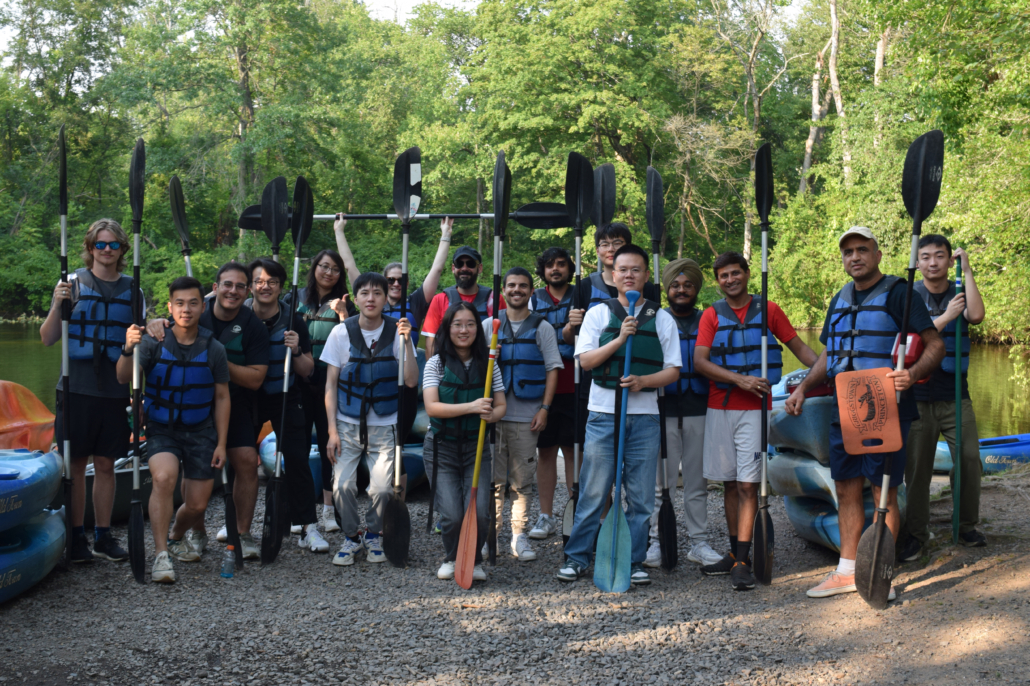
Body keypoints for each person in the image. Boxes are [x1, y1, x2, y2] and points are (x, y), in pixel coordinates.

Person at [786, 227, 944, 601]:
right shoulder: (839, 298)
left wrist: (912, 374)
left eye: (862, 250)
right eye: (848, 252)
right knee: (845, 486)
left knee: (883, 489)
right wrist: (803, 388)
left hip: (885, 404)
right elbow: (831, 354)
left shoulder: (901, 293)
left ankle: (878, 571)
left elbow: (935, 345)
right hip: (845, 403)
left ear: (877, 255)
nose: (854, 257)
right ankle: (846, 570)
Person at [557, 245, 681, 587]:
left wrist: (643, 381)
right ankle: (577, 557)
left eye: (636, 270)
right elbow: (585, 361)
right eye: (623, 269)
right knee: (594, 492)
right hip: (602, 414)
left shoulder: (661, 318)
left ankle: (634, 559)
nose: (629, 275)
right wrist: (620, 338)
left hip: (645, 418)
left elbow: (673, 370)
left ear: (646, 275)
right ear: (613, 276)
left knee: (640, 498)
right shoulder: (599, 314)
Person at [694, 251, 818, 591]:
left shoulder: (769, 310)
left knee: (748, 485)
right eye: (724, 276)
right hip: (720, 407)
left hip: (754, 411)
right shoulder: (711, 315)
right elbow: (700, 362)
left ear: (747, 274)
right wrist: (741, 379)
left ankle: (743, 561)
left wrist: (822, 374)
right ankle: (736, 554)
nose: (730, 280)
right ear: (717, 281)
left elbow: (801, 350)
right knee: (728, 483)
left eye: (736, 273)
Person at [146, 262, 270, 559]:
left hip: (232, 400)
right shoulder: (195, 311)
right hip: (190, 402)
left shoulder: (253, 326)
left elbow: (255, 379)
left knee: (247, 459)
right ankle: (197, 531)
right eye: (227, 284)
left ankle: (242, 533)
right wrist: (154, 323)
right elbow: (169, 330)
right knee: (190, 465)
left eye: (240, 286)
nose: (233, 291)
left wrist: (212, 360)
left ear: (247, 291)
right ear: (215, 289)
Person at [40, 219, 144, 563]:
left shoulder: (134, 290)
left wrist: (137, 393)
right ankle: (75, 537)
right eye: (101, 244)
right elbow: (47, 338)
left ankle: (103, 536)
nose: (107, 250)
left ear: (123, 249)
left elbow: (138, 345)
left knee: (106, 465)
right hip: (76, 388)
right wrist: (56, 304)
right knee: (75, 465)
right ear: (90, 248)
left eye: (114, 244)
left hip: (114, 389)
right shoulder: (71, 284)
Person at [117, 277, 230, 583]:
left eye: (193, 303)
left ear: (203, 307)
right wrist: (128, 348)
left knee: (197, 504)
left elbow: (222, 397)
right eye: (179, 303)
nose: (186, 309)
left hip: (201, 429)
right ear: (170, 306)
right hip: (161, 427)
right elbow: (123, 377)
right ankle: (161, 554)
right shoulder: (153, 342)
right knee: (164, 478)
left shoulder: (214, 349)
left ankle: (177, 535)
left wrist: (221, 443)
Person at [323, 272, 419, 566]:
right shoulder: (341, 333)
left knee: (381, 488)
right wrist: (332, 431)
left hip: (385, 423)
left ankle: (374, 533)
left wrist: (407, 342)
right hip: (347, 422)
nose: (371, 299)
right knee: (342, 486)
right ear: (356, 299)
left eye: (377, 293)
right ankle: (352, 536)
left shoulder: (398, 332)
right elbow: (330, 385)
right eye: (364, 293)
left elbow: (411, 381)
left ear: (385, 298)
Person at [901, 235, 987, 560]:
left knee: (969, 460)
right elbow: (910, 338)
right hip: (919, 396)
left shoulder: (960, 291)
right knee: (917, 469)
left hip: (955, 396)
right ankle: (916, 534)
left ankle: (965, 526)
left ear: (950, 260)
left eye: (940, 256)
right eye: (926, 257)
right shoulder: (909, 296)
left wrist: (968, 271)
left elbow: (976, 316)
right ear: (918, 262)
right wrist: (948, 316)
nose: (933, 262)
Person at [643, 259, 724, 569]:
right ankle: (656, 541)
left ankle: (698, 542)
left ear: (696, 288)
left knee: (696, 482)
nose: (681, 290)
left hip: (699, 410)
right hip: (662, 410)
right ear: (667, 289)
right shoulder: (655, 319)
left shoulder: (708, 319)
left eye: (688, 285)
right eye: (675, 285)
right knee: (659, 483)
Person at [245, 258, 326, 553]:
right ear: (250, 286)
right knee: (242, 459)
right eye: (259, 281)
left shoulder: (294, 321)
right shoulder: (239, 316)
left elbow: (308, 370)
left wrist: (296, 349)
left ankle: (307, 527)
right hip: (249, 398)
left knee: (296, 458)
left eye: (272, 282)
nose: (265, 287)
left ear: (281, 287)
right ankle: (238, 524)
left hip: (286, 394)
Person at [422, 302, 506, 582]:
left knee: (481, 512)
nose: (464, 330)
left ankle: (473, 559)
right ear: (447, 328)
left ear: (478, 330)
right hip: (441, 448)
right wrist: (472, 407)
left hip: (476, 448)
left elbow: (501, 406)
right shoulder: (436, 363)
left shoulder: (490, 364)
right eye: (457, 324)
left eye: (470, 324)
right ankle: (451, 557)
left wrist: (491, 414)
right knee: (452, 514)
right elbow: (432, 407)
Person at [484, 267, 562, 560]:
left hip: (527, 416)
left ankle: (519, 536)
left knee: (522, 481)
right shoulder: (489, 325)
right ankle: (489, 536)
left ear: (531, 291)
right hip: (493, 416)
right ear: (503, 290)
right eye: (511, 285)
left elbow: (553, 368)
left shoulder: (542, 327)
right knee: (493, 482)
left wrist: (544, 408)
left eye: (523, 286)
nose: (517, 290)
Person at [568, 224, 663, 452]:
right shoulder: (584, 286)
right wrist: (571, 325)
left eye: (617, 243)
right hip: (597, 381)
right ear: (597, 250)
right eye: (604, 244)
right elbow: (570, 338)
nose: (611, 249)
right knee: (596, 451)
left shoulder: (647, 288)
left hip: (638, 381)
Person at [291, 249, 353, 533]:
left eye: (335, 269)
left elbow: (351, 345)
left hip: (330, 384)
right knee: (299, 447)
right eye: (324, 266)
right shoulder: (295, 298)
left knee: (331, 446)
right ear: (314, 267)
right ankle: (301, 512)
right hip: (299, 382)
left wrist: (342, 315)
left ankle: (329, 510)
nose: (328, 272)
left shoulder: (345, 303)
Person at [333, 214, 454, 341]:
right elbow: (349, 267)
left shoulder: (416, 302)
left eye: (401, 280)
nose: (396, 284)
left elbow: (437, 269)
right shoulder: (373, 301)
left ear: (407, 284)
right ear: (384, 282)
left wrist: (446, 234)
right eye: (390, 280)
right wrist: (339, 231)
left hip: (407, 353)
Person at [529, 247, 578, 539]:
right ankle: (545, 515)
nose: (556, 269)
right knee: (545, 451)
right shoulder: (534, 299)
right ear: (543, 270)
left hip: (574, 383)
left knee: (572, 450)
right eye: (550, 265)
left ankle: (575, 511)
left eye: (561, 264)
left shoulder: (580, 294)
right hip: (543, 387)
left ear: (569, 268)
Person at [421, 246, 506, 358]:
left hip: (484, 365)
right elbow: (430, 343)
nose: (464, 268)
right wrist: (433, 368)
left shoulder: (495, 300)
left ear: (479, 268)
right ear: (453, 268)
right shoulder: (440, 300)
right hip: (449, 365)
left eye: (470, 264)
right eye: (459, 264)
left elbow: (505, 337)